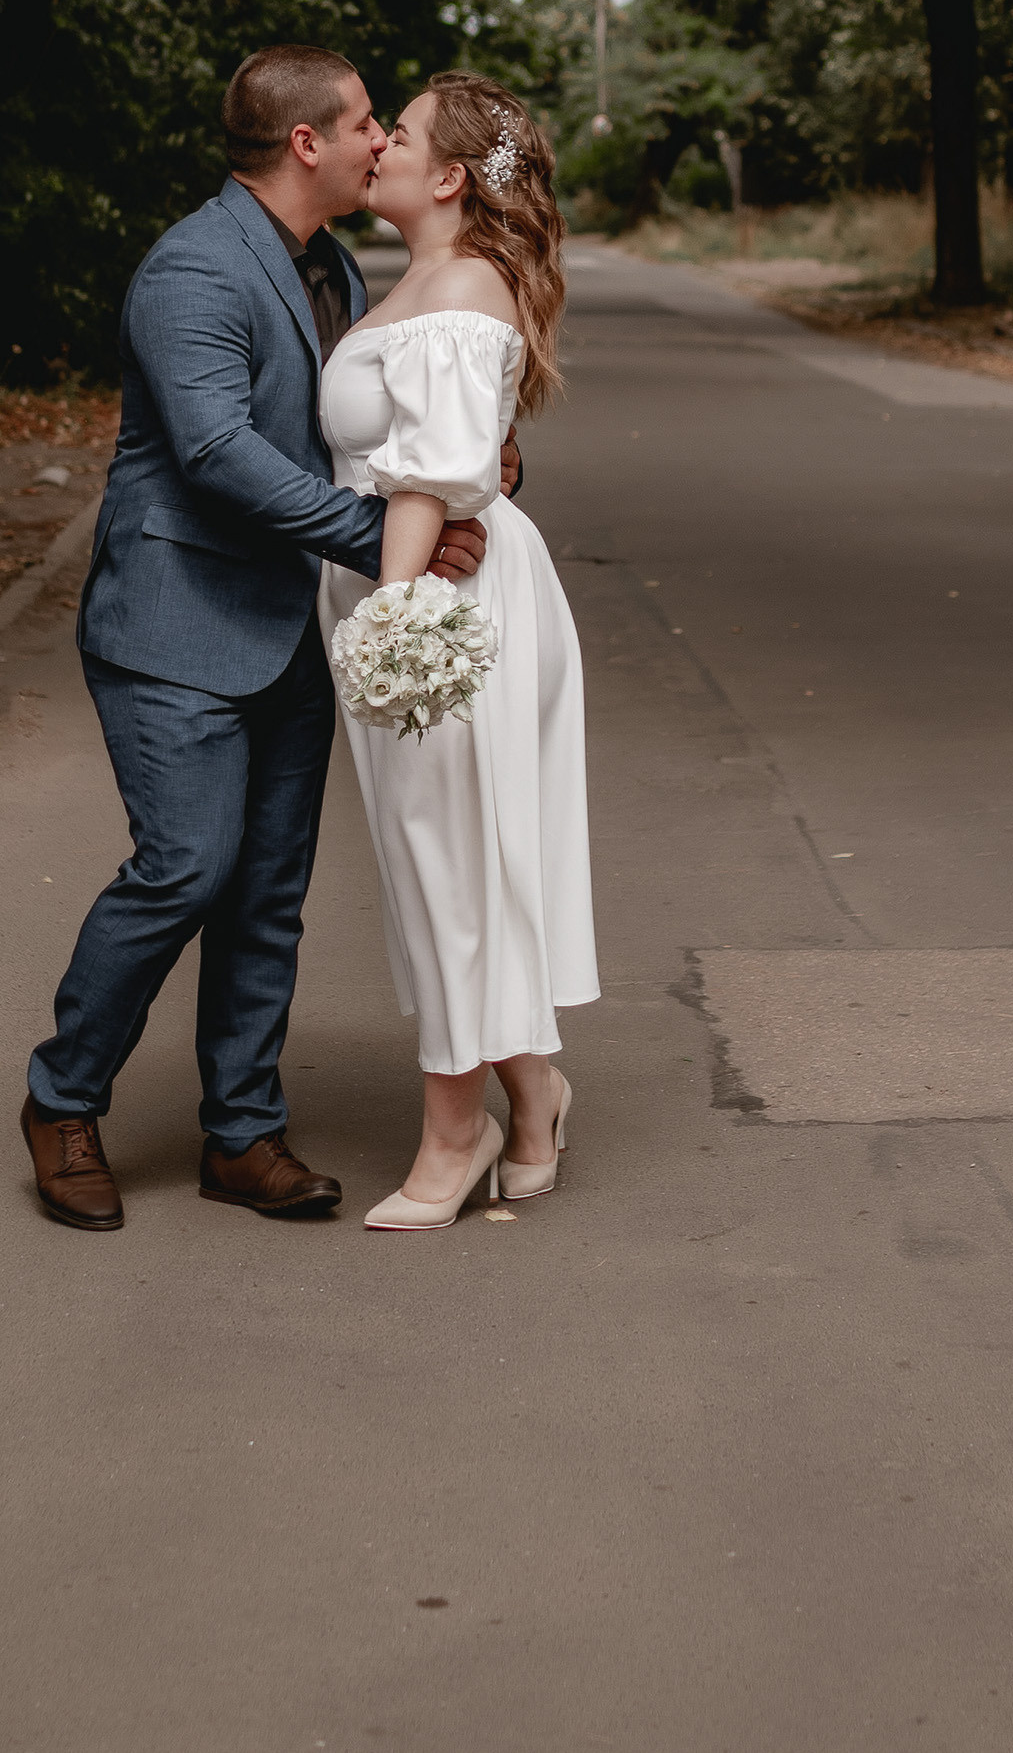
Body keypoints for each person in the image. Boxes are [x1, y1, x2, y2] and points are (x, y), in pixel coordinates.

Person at [19, 45, 504, 1234]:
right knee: (185, 865)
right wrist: (374, 538)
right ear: (305, 142)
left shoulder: (326, 258)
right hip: (171, 619)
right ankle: (62, 1099)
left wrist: (471, 467)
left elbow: (378, 411)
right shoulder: (194, 265)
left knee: (268, 891)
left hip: (287, 624)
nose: (380, 139)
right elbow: (216, 452)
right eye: (364, 121)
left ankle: (240, 1132)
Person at [319, 71, 598, 1231]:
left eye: (398, 132)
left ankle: (454, 1131)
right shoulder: (411, 278)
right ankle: (533, 1092)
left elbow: (433, 473)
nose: (376, 144)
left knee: (449, 865)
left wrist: (393, 613)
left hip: (445, 602)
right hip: (427, 584)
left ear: (444, 176)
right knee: (444, 857)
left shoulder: (460, 283)